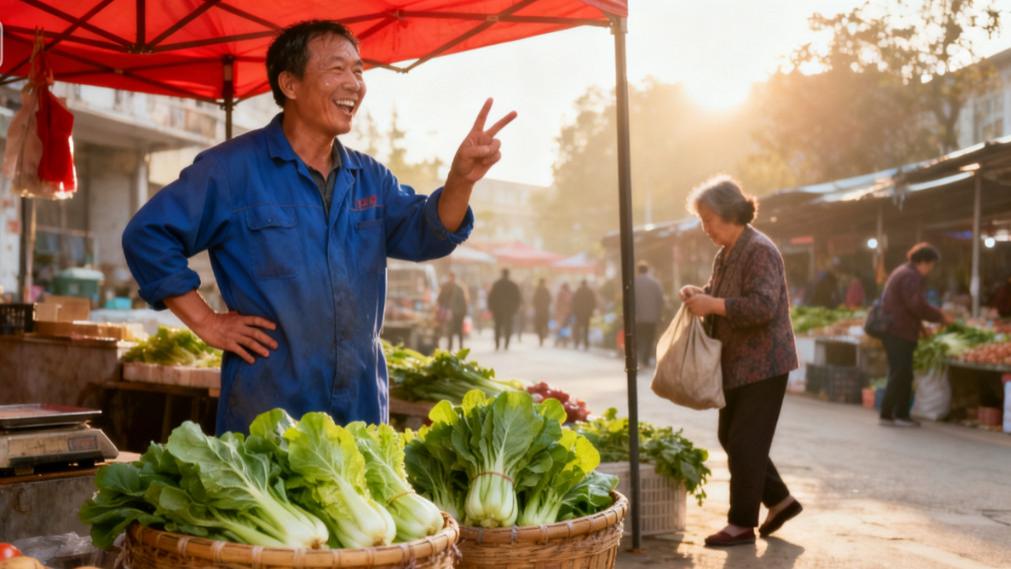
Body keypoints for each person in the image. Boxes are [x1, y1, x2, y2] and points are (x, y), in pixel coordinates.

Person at [121, 20, 516, 434]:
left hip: (360, 414)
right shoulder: (231, 170)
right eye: (337, 69)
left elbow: (429, 233)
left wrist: (461, 179)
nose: (355, 84)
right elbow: (148, 235)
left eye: (359, 71)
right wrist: (206, 322)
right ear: (290, 84)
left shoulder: (370, 178)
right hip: (269, 414)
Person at [678, 176, 801, 547]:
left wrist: (713, 304)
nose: (706, 229)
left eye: (708, 219)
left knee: (745, 442)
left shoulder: (760, 249)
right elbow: (723, 296)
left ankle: (741, 524)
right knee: (731, 437)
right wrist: (701, 295)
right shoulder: (727, 252)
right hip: (735, 364)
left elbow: (763, 306)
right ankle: (780, 500)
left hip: (764, 363)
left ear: (729, 212)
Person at [879, 243, 952, 428]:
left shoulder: (903, 272)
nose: (931, 269)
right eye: (931, 265)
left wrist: (922, 328)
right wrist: (939, 316)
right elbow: (916, 305)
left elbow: (909, 308)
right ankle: (895, 414)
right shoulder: (910, 276)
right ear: (924, 262)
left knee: (901, 373)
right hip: (899, 332)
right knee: (901, 373)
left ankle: (892, 414)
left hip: (897, 330)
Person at [634, 262, 664, 367]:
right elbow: (660, 300)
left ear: (638, 270)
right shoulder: (655, 283)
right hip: (652, 317)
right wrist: (659, 314)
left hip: (638, 317)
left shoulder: (634, 282)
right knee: (649, 338)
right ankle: (646, 359)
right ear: (647, 270)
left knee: (639, 337)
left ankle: (639, 358)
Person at [488, 268, 521, 350]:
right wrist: (515, 309)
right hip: (509, 310)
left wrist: (491, 308)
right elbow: (518, 299)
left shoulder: (497, 284)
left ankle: (497, 344)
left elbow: (490, 297)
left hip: (497, 310)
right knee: (508, 327)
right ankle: (506, 344)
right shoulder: (513, 285)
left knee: (497, 327)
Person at [437, 272, 469, 350]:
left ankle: (460, 345)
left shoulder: (459, 288)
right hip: (449, 312)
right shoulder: (445, 287)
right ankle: (450, 346)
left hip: (458, 313)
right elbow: (440, 299)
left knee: (459, 330)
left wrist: (464, 312)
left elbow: (463, 301)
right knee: (450, 330)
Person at [571, 279, 597, 350]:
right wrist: (591, 312)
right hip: (587, 314)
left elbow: (574, 303)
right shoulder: (589, 292)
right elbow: (593, 303)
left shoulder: (578, 291)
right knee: (586, 329)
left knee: (578, 328)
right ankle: (586, 344)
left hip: (579, 313)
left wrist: (574, 312)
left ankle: (577, 343)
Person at [532, 278, 552, 347]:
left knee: (541, 325)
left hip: (540, 311)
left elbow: (534, 301)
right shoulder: (545, 290)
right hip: (543, 311)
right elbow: (550, 300)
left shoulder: (538, 291)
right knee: (543, 325)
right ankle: (542, 337)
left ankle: (542, 337)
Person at [554, 282, 573, 347]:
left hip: (561, 313)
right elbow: (571, 303)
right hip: (568, 313)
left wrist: (557, 312)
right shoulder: (570, 294)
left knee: (560, 327)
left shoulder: (561, 294)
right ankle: (564, 341)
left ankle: (557, 341)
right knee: (566, 327)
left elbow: (557, 304)